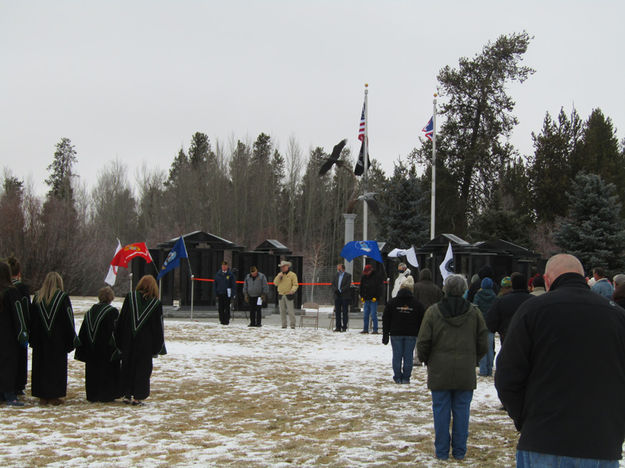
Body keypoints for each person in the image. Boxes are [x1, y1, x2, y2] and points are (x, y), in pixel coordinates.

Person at [495, 254, 625, 466]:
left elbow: (507, 375)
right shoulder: (617, 316)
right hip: (601, 442)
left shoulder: (533, 310)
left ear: (547, 280)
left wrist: (525, 419)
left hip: (544, 439)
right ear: (584, 278)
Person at [417, 274, 488, 461]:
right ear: (464, 289)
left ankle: (441, 452)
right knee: (462, 412)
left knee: (440, 412)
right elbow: (483, 342)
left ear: (445, 289)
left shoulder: (433, 312)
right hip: (465, 370)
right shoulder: (474, 313)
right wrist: (473, 360)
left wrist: (425, 359)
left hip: (439, 370)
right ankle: (459, 451)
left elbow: (423, 341)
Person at [115, 275, 166, 405]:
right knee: (142, 370)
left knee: (127, 366)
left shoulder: (129, 298)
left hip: (128, 340)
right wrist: (157, 346)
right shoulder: (156, 304)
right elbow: (158, 327)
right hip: (145, 344)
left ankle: (127, 394)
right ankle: (138, 396)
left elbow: (121, 320)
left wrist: (119, 340)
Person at [30, 272, 77, 405]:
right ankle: (54, 395)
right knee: (56, 367)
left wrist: (32, 339)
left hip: (40, 340)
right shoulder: (63, 297)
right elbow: (68, 319)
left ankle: (42, 395)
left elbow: (32, 320)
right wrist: (70, 339)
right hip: (58, 340)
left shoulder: (37, 297)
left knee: (41, 366)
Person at [75, 286, 121, 402]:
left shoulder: (89, 312)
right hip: (106, 351)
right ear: (111, 298)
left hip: (91, 350)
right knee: (107, 372)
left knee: (92, 372)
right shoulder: (112, 312)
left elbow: (83, 332)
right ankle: (107, 394)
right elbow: (115, 332)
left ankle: (93, 394)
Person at [382, 276, 425, 384]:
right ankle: (406, 377)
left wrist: (385, 334)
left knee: (397, 356)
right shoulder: (417, 304)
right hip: (411, 333)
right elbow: (422, 320)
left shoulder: (392, 303)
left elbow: (386, 319)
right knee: (408, 356)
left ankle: (397, 377)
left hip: (396, 333)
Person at [0, 262, 28, 406]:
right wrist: (22, 332)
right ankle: (9, 394)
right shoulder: (11, 292)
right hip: (8, 335)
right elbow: (18, 313)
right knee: (9, 364)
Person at [486, 272, 532, 344]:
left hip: (507, 340)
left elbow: (491, 323)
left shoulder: (501, 301)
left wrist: (501, 329)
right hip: (530, 341)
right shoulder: (533, 301)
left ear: (512, 285)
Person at [7, 256, 30, 396]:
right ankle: (18, 385)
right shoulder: (21, 288)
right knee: (20, 358)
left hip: (6, 328)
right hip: (20, 327)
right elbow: (26, 308)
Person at [473, 277, 497, 377]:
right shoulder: (494, 296)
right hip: (491, 324)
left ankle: (483, 370)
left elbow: (475, 308)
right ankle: (490, 368)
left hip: (481, 323)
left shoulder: (478, 295)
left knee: (482, 347)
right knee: (490, 347)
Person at [274, 260, 299, 329]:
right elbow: (275, 283)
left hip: (289, 294)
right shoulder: (280, 274)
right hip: (281, 294)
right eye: (281, 267)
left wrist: (292, 290)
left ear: (287, 267)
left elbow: (295, 284)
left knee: (290, 311)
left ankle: (292, 325)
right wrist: (279, 277)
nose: (282, 268)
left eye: (283, 267)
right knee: (282, 311)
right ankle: (284, 324)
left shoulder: (292, 275)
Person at [359, 264, 383, 334]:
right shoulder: (363, 277)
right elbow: (361, 287)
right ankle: (365, 329)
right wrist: (362, 296)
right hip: (366, 299)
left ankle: (375, 329)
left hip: (373, 299)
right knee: (365, 314)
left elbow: (379, 288)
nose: (366, 273)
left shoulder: (377, 277)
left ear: (370, 270)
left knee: (373, 314)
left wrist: (376, 297)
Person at [214, 261, 236, 325]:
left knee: (227, 307)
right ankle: (221, 320)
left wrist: (233, 293)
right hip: (220, 293)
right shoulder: (218, 274)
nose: (224, 267)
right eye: (223, 266)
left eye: (225, 266)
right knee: (220, 308)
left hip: (227, 294)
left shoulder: (230, 274)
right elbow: (215, 284)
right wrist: (216, 293)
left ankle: (226, 320)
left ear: (227, 266)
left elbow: (233, 285)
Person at [331, 263, 352, 332]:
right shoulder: (335, 275)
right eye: (337, 268)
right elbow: (333, 284)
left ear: (343, 269)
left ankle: (344, 326)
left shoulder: (348, 276)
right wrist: (336, 290)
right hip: (337, 296)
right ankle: (338, 326)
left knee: (345, 312)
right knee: (337, 312)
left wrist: (341, 290)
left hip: (344, 296)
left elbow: (347, 285)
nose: (338, 270)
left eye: (339, 268)